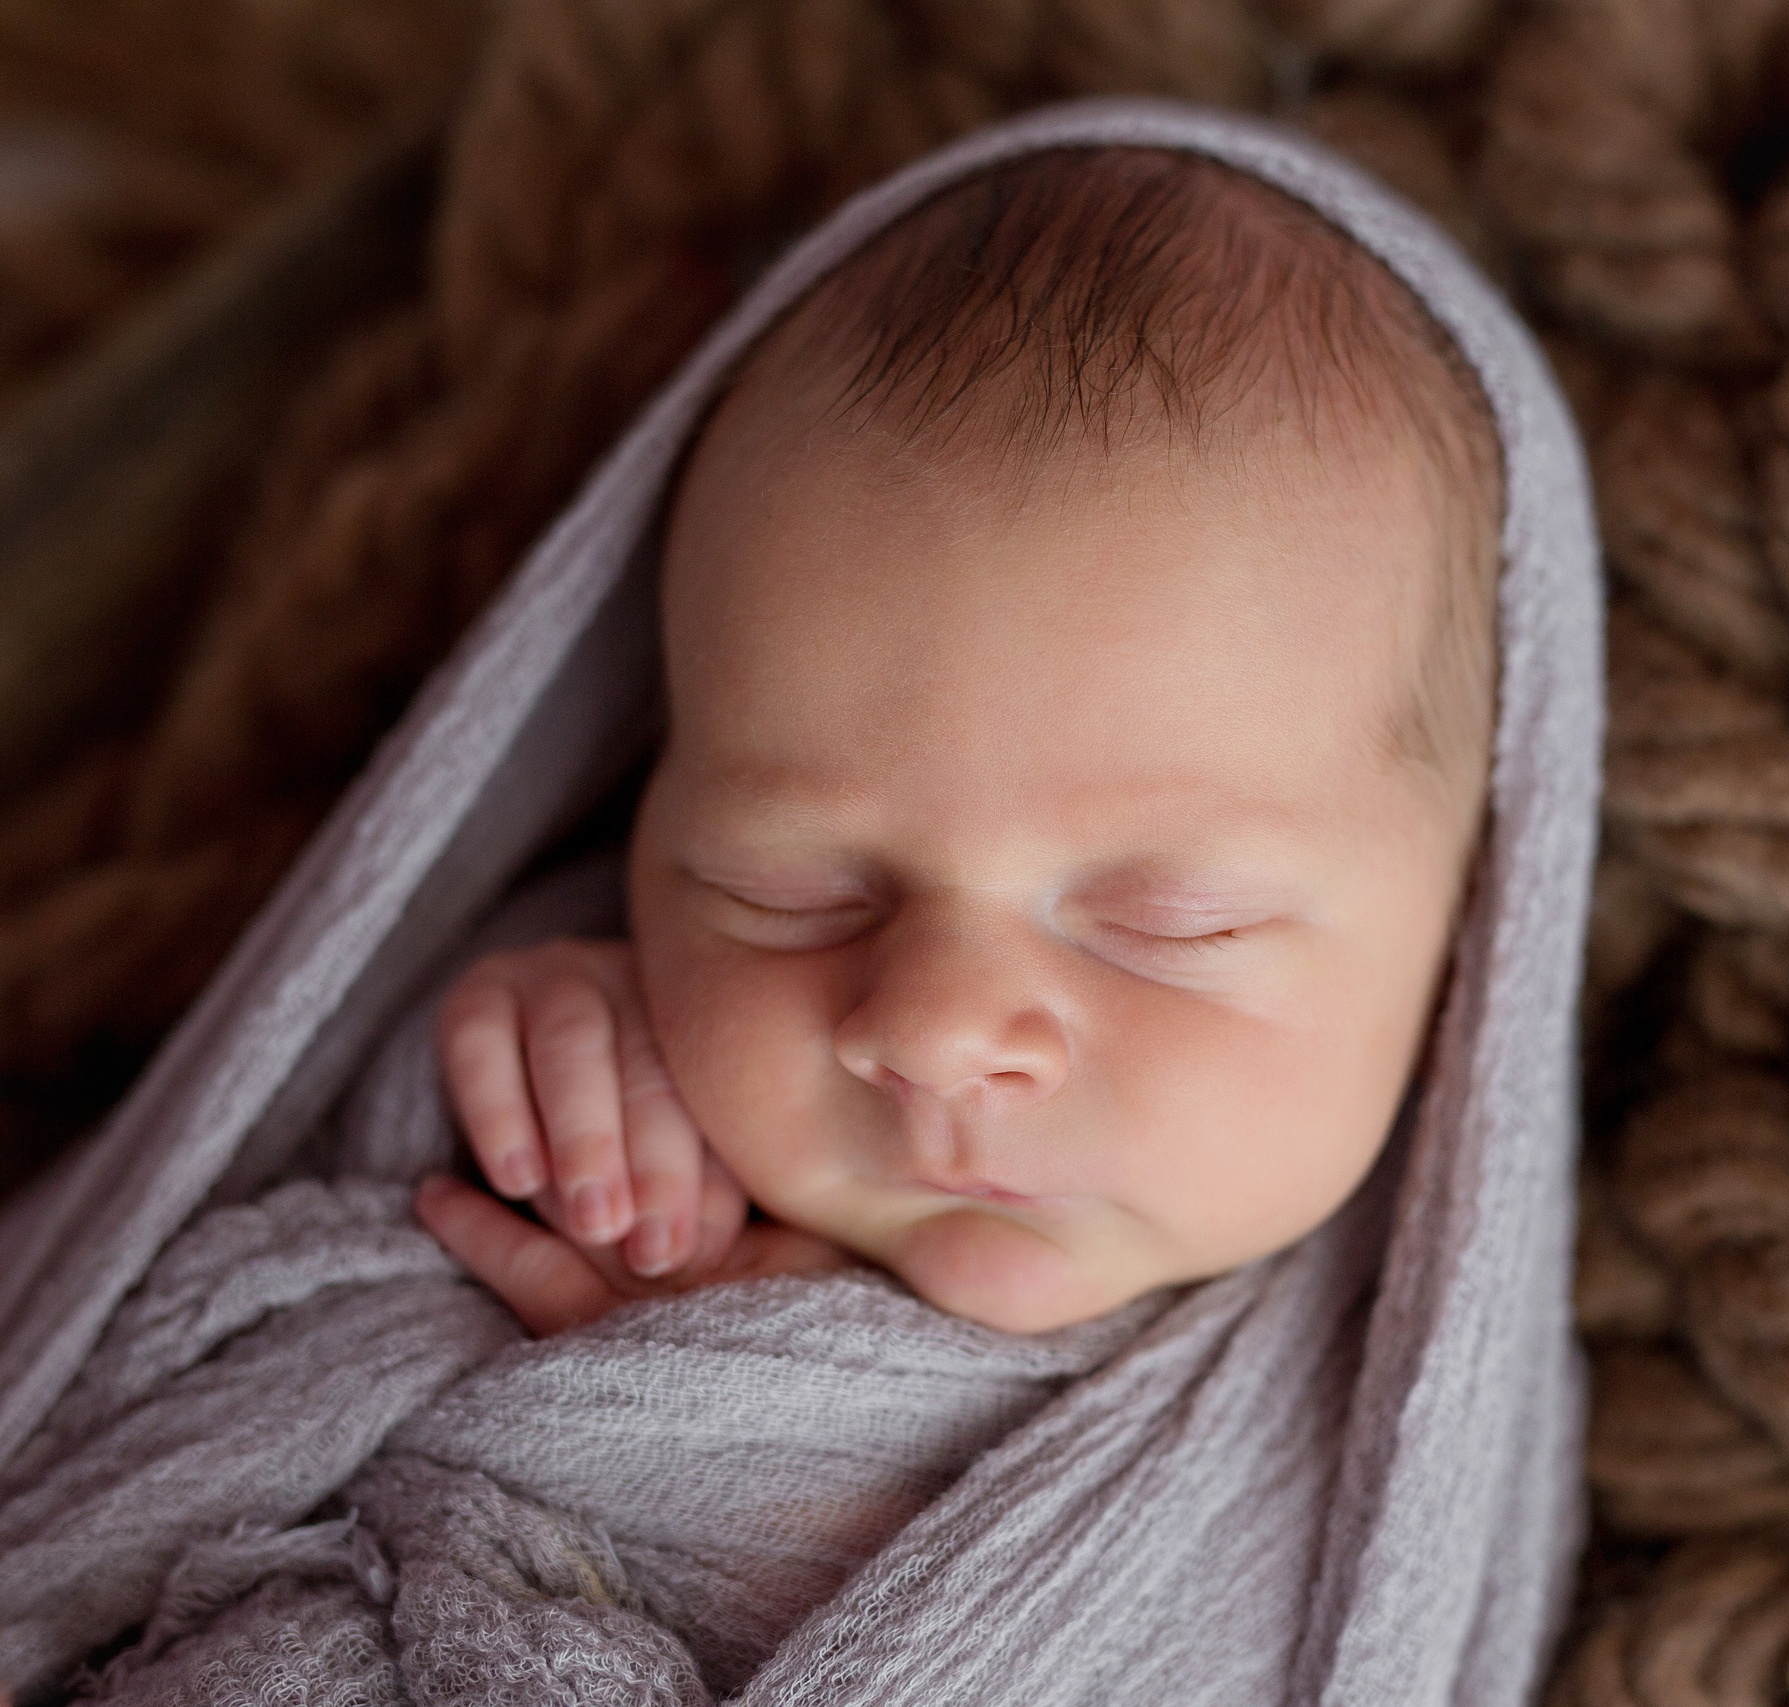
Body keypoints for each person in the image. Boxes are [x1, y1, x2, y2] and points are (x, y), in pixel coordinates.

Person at [410, 143, 1508, 1339]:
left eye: (1172, 923)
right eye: (785, 893)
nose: (936, 1031)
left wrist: (756, 1428)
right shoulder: (591, 1119)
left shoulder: (1404, 1365)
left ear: (1470, 919)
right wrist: (518, 1106)